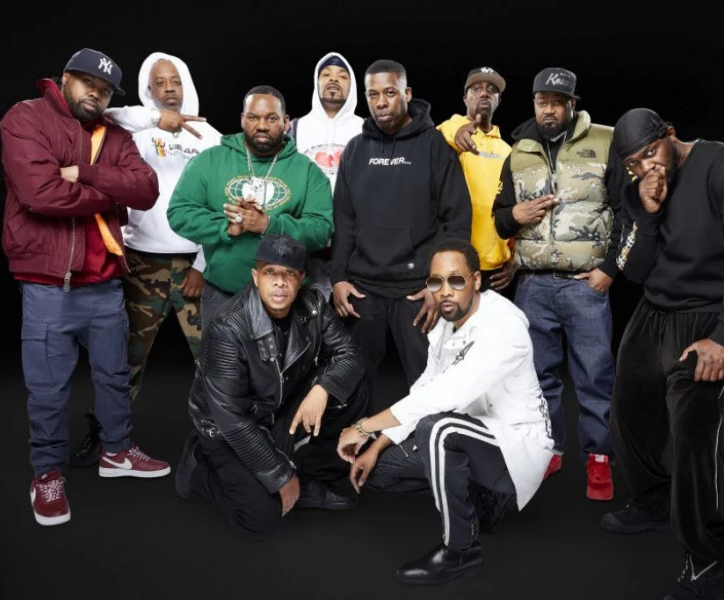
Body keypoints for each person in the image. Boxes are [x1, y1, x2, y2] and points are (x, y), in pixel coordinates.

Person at [601, 108, 724, 600]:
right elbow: (635, 270)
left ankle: (706, 561)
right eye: (634, 164)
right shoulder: (638, 186)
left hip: (706, 316)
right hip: (654, 309)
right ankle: (654, 501)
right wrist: (647, 212)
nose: (647, 168)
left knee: (692, 436)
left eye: (651, 154)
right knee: (628, 415)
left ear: (671, 135)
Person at [0, 48, 171, 527]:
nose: (96, 94)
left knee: (113, 376)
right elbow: (40, 194)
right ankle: (47, 474)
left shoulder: (114, 135)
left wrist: (87, 174)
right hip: (48, 286)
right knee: (48, 389)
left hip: (105, 282)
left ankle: (117, 451)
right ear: (65, 78)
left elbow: (146, 190)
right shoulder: (26, 118)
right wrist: (109, 194)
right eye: (88, 84)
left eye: (106, 90)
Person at [336, 238, 553, 585]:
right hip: (471, 432)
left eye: (456, 280)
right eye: (436, 282)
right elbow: (424, 388)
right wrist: (378, 443)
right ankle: (483, 501)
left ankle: (461, 550)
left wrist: (364, 427)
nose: (445, 291)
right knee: (380, 469)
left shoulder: (504, 324)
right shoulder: (444, 325)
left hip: (514, 443)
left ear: (476, 280)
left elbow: (445, 394)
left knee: (438, 429)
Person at [68, 51, 224, 468]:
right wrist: (156, 119)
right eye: (160, 82)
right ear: (148, 89)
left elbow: (222, 205)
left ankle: (224, 442)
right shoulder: (131, 132)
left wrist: (202, 264)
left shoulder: (211, 138)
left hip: (195, 265)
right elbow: (106, 113)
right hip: (142, 264)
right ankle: (105, 438)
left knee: (215, 359)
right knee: (124, 359)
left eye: (175, 80)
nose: (169, 88)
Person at [491, 67, 632, 501]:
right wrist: (514, 216)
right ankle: (548, 449)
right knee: (537, 378)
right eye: (542, 102)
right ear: (533, 103)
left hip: (584, 285)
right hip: (533, 286)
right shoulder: (519, 151)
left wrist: (610, 269)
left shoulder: (606, 140)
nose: (549, 110)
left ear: (573, 104)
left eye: (557, 102)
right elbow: (500, 217)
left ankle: (599, 458)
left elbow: (628, 212)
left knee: (594, 376)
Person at [174, 233, 370, 539]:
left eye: (289, 273)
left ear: (301, 279)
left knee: (352, 387)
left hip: (278, 407)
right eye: (270, 273)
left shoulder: (314, 304)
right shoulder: (228, 327)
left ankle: (312, 477)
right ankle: (199, 462)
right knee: (261, 519)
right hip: (227, 429)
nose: (280, 282)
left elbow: (350, 355)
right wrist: (280, 476)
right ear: (256, 277)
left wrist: (322, 389)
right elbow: (232, 420)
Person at [329, 58, 472, 414]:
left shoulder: (435, 147)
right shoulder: (356, 150)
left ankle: (429, 447)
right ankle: (357, 443)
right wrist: (338, 278)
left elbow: (456, 221)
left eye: (390, 93)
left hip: (417, 292)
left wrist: (440, 286)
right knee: (353, 386)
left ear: (407, 94)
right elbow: (344, 220)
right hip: (363, 290)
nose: (381, 102)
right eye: (373, 94)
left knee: (430, 387)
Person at [167, 85, 334, 331]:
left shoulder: (308, 171)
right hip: (222, 294)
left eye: (272, 118)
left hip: (285, 299)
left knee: (284, 359)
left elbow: (321, 230)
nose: (262, 125)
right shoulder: (209, 161)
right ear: (242, 119)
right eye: (254, 117)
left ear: (285, 122)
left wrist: (268, 224)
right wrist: (226, 226)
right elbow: (179, 213)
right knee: (220, 358)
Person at [288, 51, 364, 299]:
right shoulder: (295, 128)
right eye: (326, 75)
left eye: (342, 76)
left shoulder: (366, 129)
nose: (333, 79)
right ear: (316, 81)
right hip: (306, 246)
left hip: (353, 248)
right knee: (304, 315)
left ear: (352, 86)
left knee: (350, 315)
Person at [437, 67, 515, 299]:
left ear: (499, 100)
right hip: (455, 264)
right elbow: (445, 129)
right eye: (477, 88)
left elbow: (514, 206)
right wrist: (457, 129)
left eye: (492, 90)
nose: (485, 93)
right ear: (465, 98)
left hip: (496, 270)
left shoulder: (508, 151)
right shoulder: (449, 137)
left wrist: (514, 258)